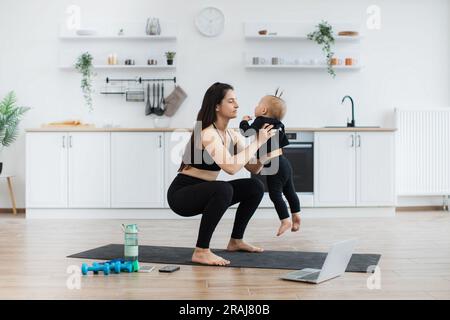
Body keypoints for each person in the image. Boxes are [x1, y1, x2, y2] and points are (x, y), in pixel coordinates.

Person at [167, 82, 277, 266]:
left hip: (205, 191)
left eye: (236, 101)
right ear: (217, 106)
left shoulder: (231, 135)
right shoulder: (207, 133)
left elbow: (254, 168)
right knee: (223, 188)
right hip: (182, 196)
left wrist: (269, 144)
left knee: (255, 186)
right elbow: (231, 168)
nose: (237, 105)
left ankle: (236, 241)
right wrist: (257, 142)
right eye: (231, 101)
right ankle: (201, 251)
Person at [239, 92, 301, 237]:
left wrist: (243, 121)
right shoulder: (280, 124)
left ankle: (285, 220)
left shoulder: (261, 121)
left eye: (258, 104)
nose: (256, 106)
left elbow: (246, 133)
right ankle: (296, 214)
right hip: (284, 162)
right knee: (290, 191)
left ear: (264, 111)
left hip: (274, 166)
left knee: (275, 194)